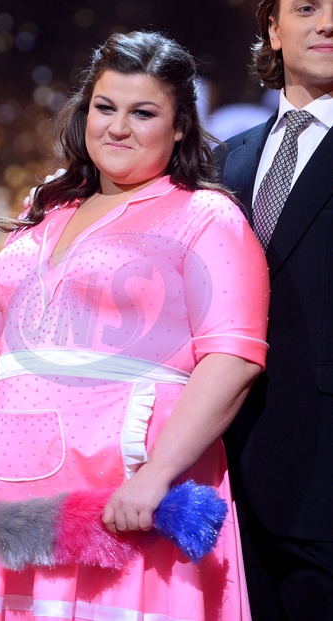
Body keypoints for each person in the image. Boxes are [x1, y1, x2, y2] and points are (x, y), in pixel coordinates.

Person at [0, 31, 269, 621]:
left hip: (122, 498)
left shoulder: (206, 216)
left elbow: (234, 359)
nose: (118, 128)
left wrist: (155, 476)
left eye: (143, 113)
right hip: (5, 493)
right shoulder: (42, 211)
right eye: (105, 107)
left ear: (181, 126)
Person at [214, 1, 333, 620]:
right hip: (221, 475)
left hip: (323, 471)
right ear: (272, 28)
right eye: (307, 6)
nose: (328, 23)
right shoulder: (224, 160)